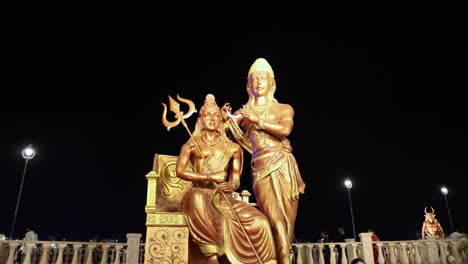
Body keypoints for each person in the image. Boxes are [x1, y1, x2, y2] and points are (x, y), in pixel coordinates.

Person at [175, 94, 277, 264]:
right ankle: (211, 254)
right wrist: (208, 176)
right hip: (199, 192)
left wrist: (231, 185)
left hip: (223, 198)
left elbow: (236, 180)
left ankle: (266, 260)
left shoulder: (233, 148)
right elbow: (180, 171)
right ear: (201, 119)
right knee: (197, 198)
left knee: (260, 221)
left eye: (216, 115)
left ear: (221, 119)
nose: (212, 119)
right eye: (208, 115)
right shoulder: (191, 144)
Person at [222, 57, 306, 264]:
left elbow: (285, 129)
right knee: (274, 221)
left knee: (287, 225)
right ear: (249, 85)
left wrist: (258, 120)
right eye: (255, 78)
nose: (259, 81)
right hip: (261, 168)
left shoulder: (284, 108)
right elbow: (222, 134)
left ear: (272, 83)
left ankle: (283, 259)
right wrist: (223, 119)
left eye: (263, 78)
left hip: (283, 164)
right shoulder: (243, 113)